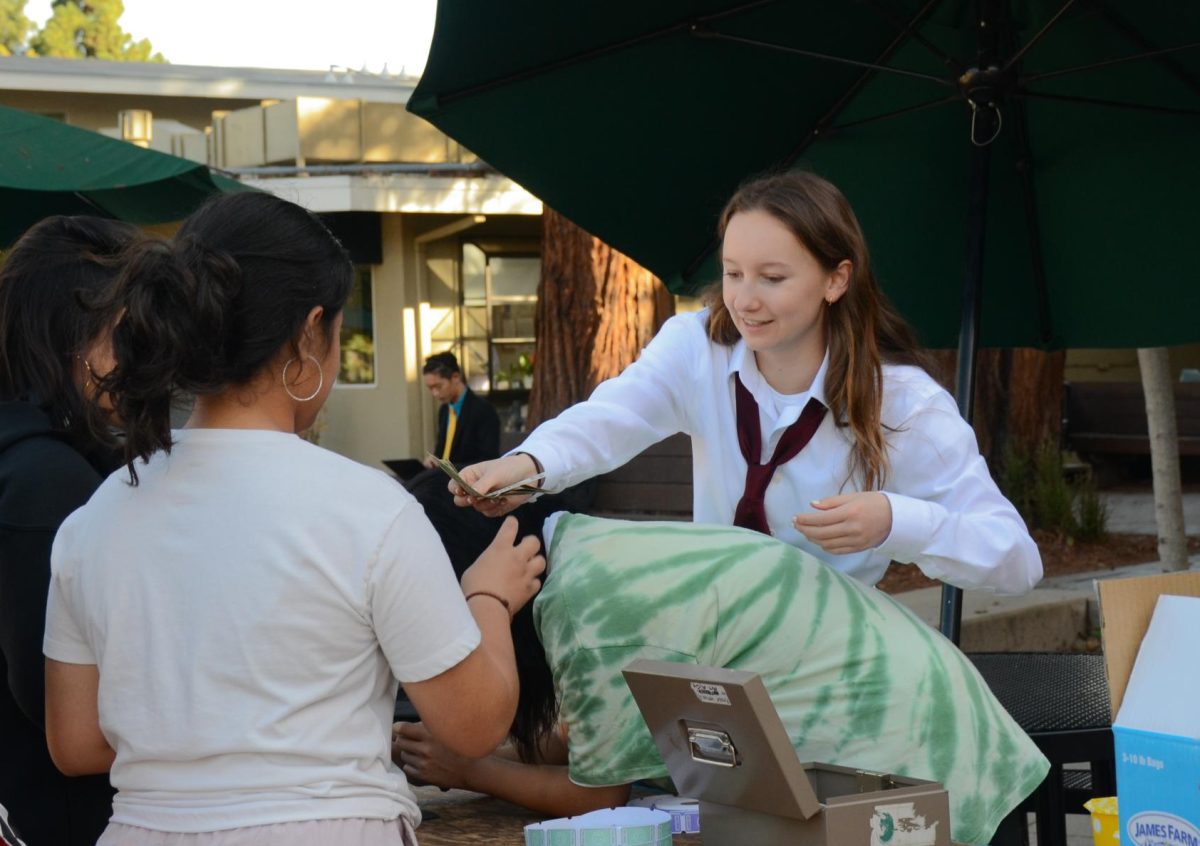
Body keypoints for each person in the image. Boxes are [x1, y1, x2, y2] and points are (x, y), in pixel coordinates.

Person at [41, 192, 545, 845]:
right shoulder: (368, 510)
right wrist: (486, 596)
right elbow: (473, 725)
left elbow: (77, 742)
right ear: (310, 333)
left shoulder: (96, 517)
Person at [453, 170, 1041, 595]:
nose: (745, 300)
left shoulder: (904, 404)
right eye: (733, 273)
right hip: (709, 626)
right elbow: (608, 420)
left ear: (837, 280)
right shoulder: (695, 348)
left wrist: (897, 522)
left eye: (773, 277)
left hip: (830, 649)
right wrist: (527, 466)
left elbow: (1017, 561)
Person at [394, 513, 1050, 846]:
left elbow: (597, 800)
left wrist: (471, 768)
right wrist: (479, 747)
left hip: (908, 765)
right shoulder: (585, 553)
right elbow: (591, 737)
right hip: (921, 725)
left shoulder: (585, 608)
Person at [0, 216, 136, 845]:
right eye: (126, 333)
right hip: (55, 814)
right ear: (72, 334)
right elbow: (55, 706)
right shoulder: (46, 478)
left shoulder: (38, 456)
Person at [420, 351, 500, 469]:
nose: (435, 393)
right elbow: (440, 452)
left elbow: (488, 460)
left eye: (438, 386)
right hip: (441, 478)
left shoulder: (483, 410)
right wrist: (433, 461)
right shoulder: (444, 410)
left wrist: (448, 468)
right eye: (430, 388)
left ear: (455, 377)